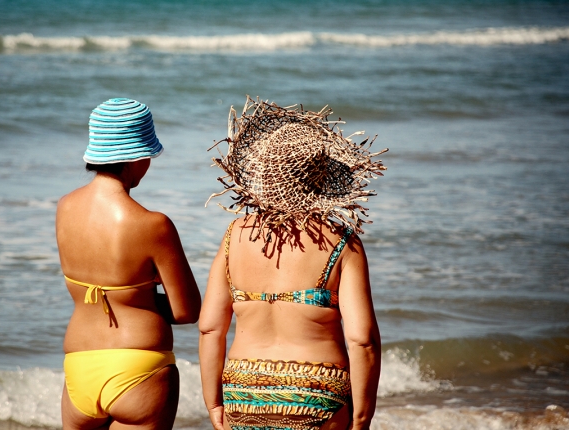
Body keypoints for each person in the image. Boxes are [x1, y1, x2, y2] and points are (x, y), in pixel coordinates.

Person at [199, 96, 387, 430]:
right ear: (321, 178)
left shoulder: (235, 235)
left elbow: (211, 327)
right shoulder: (340, 241)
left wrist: (214, 402)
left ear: (264, 175)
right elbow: (362, 340)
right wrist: (361, 417)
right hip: (316, 390)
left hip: (243, 391)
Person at [56, 98, 201, 430]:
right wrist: (141, 301)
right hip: (140, 367)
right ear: (138, 158)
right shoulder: (153, 225)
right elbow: (187, 311)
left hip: (79, 365)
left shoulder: (64, 208)